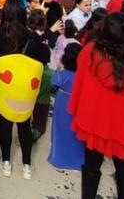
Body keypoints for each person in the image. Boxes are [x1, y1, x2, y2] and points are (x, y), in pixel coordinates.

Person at [69, 12, 124, 199]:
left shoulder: (90, 51)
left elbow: (81, 79)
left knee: (91, 165)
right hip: (121, 123)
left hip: (94, 118)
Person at [48, 43, 86, 171]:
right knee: (77, 132)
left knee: (60, 130)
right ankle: (79, 159)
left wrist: (59, 68)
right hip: (80, 104)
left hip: (63, 104)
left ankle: (59, 158)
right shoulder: (84, 75)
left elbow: (53, 82)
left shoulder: (62, 74)